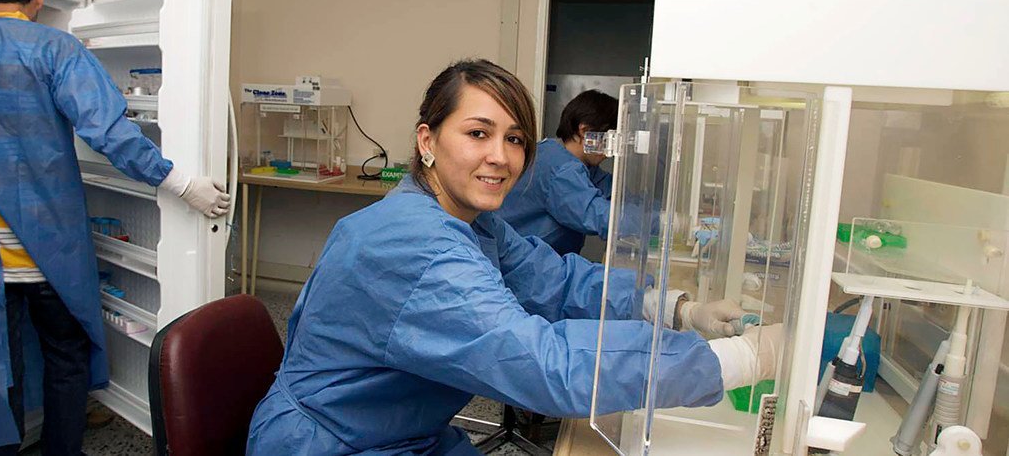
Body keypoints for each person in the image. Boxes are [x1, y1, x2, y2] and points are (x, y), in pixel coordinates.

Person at [246, 59, 782, 455]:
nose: (501, 157)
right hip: (333, 442)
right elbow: (543, 363)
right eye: (478, 133)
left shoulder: (471, 222)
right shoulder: (415, 244)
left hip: (400, 430)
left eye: (516, 138)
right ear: (427, 140)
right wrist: (734, 361)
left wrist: (677, 309)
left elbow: (559, 282)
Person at [0, 0, 229, 455]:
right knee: (64, 352)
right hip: (46, 245)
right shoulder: (56, 49)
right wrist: (182, 185)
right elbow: (110, 133)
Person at [497, 89, 621, 257]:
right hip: (521, 264)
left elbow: (614, 189)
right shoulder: (561, 169)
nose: (608, 151)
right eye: (607, 140)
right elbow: (599, 217)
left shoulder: (558, 152)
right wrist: (657, 222)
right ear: (584, 131)